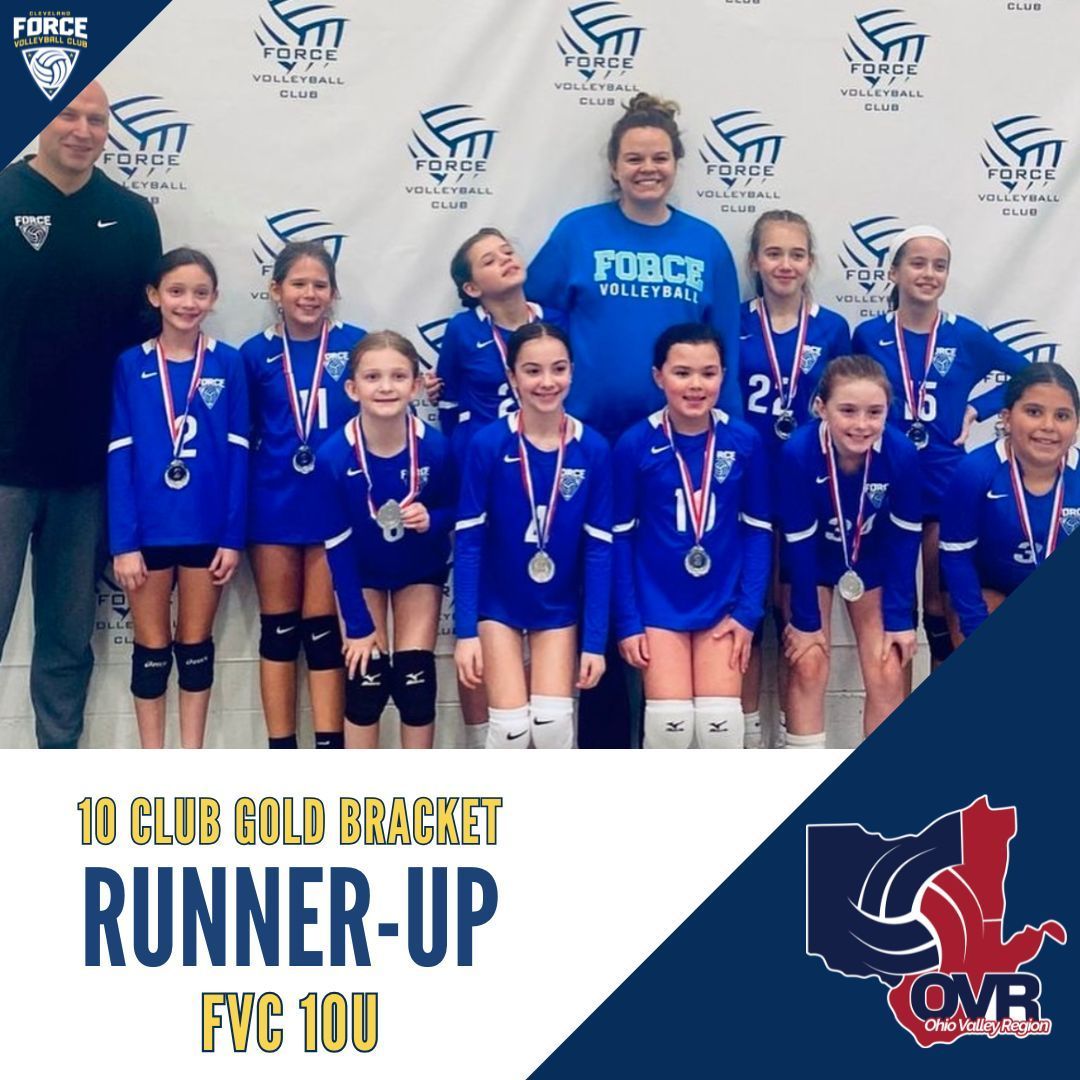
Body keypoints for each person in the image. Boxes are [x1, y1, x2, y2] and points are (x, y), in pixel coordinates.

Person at [528, 92, 741, 747]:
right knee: (596, 583)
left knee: (664, 582)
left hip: (680, 449)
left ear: (676, 163)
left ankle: (666, 731)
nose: (647, 169)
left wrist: (721, 434)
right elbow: (534, 319)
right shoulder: (577, 232)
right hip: (588, 444)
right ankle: (603, 744)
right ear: (614, 166)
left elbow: (726, 347)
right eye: (634, 159)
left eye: (659, 158)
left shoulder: (706, 243)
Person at [0, 80, 162, 748]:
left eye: (97, 119)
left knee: (67, 641)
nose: (83, 129)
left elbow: (144, 346)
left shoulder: (133, 216)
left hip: (88, 470)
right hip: (4, 467)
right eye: (69, 114)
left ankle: (56, 774)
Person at [851, 225, 1028, 668]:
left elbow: (1027, 375)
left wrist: (978, 408)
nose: (929, 273)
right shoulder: (868, 335)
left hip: (946, 478)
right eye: (917, 263)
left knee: (940, 600)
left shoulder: (964, 334)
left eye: (939, 266)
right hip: (888, 475)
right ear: (893, 272)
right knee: (896, 597)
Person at [108, 249, 247, 748]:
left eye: (200, 293)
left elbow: (239, 455)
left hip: (206, 529)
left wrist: (232, 536)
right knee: (150, 651)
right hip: (147, 531)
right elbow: (119, 456)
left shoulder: (228, 363)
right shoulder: (131, 364)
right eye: (176, 291)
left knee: (195, 649)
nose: (188, 303)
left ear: (214, 299)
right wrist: (123, 543)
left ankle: (191, 761)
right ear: (155, 296)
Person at [453, 322, 612, 750]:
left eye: (558, 369)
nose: (547, 382)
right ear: (512, 376)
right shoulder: (488, 444)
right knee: (510, 733)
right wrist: (465, 632)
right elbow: (468, 543)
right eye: (532, 370)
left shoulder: (593, 448)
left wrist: (594, 643)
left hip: (557, 605)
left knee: (552, 728)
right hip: (499, 603)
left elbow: (599, 551)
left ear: (572, 371)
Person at [434, 227, 564, 746]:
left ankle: (544, 723)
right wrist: (471, 454)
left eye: (507, 250)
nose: (505, 259)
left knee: (546, 596)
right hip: (486, 479)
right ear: (472, 288)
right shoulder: (462, 331)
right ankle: (481, 738)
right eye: (489, 260)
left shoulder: (554, 319)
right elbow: (448, 405)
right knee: (483, 603)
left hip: (546, 480)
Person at [614, 324, 771, 749]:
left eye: (708, 373)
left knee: (719, 729)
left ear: (723, 376)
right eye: (682, 373)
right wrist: (628, 621)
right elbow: (620, 539)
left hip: (723, 605)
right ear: (658, 376)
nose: (696, 385)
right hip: (658, 606)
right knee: (671, 728)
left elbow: (758, 532)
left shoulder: (744, 441)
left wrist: (748, 612)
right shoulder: (634, 444)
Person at [242, 241, 366, 749]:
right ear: (275, 290)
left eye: (319, 285)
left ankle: (329, 749)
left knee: (322, 631)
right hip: (273, 504)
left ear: (333, 293)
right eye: (298, 284)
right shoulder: (254, 353)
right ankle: (282, 750)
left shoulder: (356, 346)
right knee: (278, 630)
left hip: (334, 508)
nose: (309, 294)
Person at [737, 210, 851, 748]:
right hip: (743, 484)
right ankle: (743, 740)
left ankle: (793, 745)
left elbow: (847, 408)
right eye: (774, 253)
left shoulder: (833, 329)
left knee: (797, 617)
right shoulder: (732, 320)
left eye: (797, 254)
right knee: (744, 619)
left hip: (810, 488)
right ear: (755, 261)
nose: (786, 264)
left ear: (811, 262)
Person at [320, 331, 455, 749]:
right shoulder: (333, 457)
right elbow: (337, 546)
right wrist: (358, 626)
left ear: (415, 386)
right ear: (352, 388)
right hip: (361, 573)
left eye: (398, 376)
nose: (385, 387)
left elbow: (456, 510)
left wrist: (432, 519)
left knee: (417, 685)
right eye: (372, 377)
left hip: (419, 570)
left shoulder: (436, 448)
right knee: (366, 683)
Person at [780, 356, 922, 745]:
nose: (861, 424)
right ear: (820, 407)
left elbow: (905, 540)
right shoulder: (798, 452)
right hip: (812, 563)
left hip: (869, 564)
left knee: (888, 667)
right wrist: (806, 623)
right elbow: (799, 544)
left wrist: (899, 618)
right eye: (847, 411)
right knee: (808, 662)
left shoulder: (901, 453)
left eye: (874, 412)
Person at [940, 363, 1080, 641]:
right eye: (1034, 412)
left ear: (1076, 425)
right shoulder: (975, 471)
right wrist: (974, 626)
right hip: (990, 594)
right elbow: (957, 557)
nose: (1048, 426)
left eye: (1062, 416)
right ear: (1006, 418)